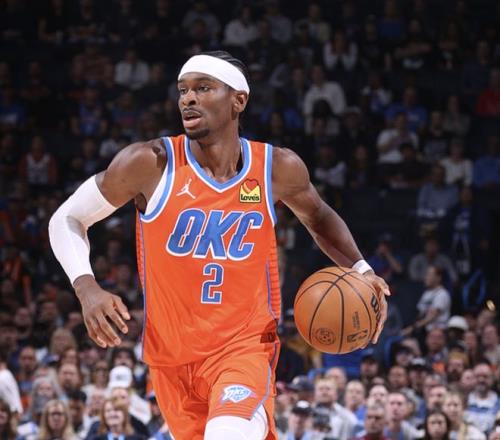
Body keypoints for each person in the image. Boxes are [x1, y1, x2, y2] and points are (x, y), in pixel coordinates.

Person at [49, 50, 389, 440]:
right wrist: (86, 287)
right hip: (171, 360)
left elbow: (318, 216)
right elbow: (66, 218)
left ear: (238, 101)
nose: (188, 99)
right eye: (183, 90)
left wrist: (362, 269)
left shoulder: (276, 168)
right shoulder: (149, 163)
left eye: (203, 88)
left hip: (243, 349)